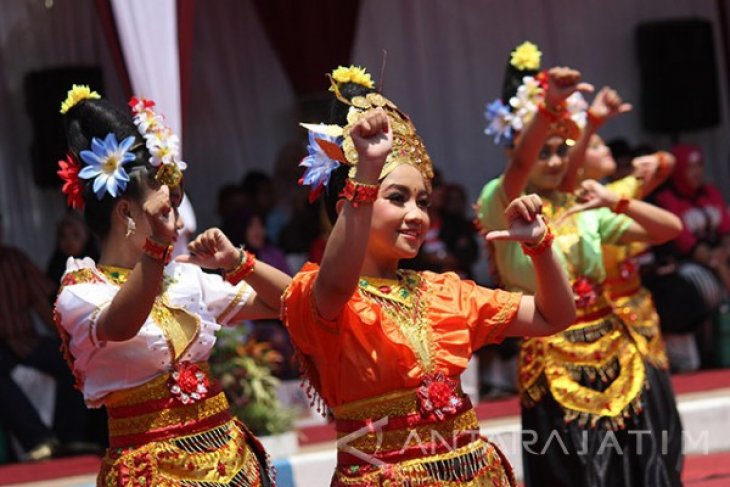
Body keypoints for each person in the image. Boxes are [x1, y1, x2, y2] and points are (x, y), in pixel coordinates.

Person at [282, 65, 577, 486]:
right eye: (398, 198)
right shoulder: (319, 294)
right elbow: (336, 283)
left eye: (423, 202)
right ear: (352, 204)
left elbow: (554, 317)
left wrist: (541, 248)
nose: (417, 215)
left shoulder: (442, 290)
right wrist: (366, 171)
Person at [53, 86, 290, 485]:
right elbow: (121, 324)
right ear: (126, 211)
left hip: (233, 465)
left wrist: (238, 262)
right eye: (166, 210)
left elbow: (292, 302)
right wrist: (157, 249)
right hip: (152, 475)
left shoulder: (182, 278)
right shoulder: (81, 290)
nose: (178, 223)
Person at [479, 42, 684, 486]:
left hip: (618, 351)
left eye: (560, 151)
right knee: (574, 472)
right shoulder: (504, 206)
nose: (552, 162)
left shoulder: (580, 208)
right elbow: (519, 163)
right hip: (553, 357)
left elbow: (669, 229)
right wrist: (552, 106)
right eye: (543, 151)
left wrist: (618, 200)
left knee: (643, 467)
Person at [0, 211, 92, 460]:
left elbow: (42, 305)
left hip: (26, 339)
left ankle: (68, 439)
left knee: (74, 360)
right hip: (1, 348)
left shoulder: (15, 260)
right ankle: (38, 440)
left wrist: (67, 339)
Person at [47, 212, 99, 289]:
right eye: (63, 236)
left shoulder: (97, 263)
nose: (69, 240)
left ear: (87, 237)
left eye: (76, 234)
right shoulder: (56, 266)